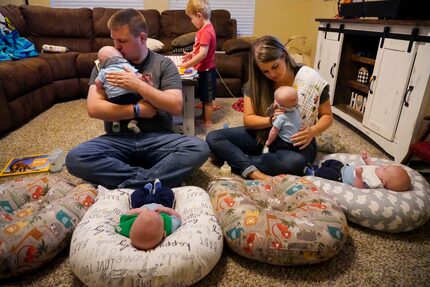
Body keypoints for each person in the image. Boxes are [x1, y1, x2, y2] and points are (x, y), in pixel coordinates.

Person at [65, 8, 210, 188]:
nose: (116, 47)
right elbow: (94, 108)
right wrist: (137, 110)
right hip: (118, 139)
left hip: (158, 139)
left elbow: (175, 105)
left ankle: (129, 182)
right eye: (114, 40)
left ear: (142, 38)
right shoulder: (105, 63)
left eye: (122, 41)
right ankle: (150, 180)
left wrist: (137, 84)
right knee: (75, 158)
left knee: (199, 147)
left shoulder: (163, 64)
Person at [206, 35, 333, 180]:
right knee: (213, 138)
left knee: (294, 164)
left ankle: (235, 159)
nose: (272, 74)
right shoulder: (255, 84)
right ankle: (253, 171)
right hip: (265, 134)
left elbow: (327, 116)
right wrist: (271, 120)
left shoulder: (310, 79)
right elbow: (248, 120)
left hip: (297, 142)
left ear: (284, 56)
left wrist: (312, 131)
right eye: (265, 71)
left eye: (275, 66)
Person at [180, 0, 217, 127]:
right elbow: (199, 50)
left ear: (199, 16)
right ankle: (203, 116)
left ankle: (208, 121)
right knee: (203, 96)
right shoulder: (204, 29)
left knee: (207, 99)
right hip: (202, 69)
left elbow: (203, 54)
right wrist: (191, 54)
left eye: (191, 18)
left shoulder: (206, 32)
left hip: (207, 71)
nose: (191, 21)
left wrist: (186, 65)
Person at [115, 179, 182, 250]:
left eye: (144, 214)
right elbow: (177, 217)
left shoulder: (128, 229)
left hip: (141, 204)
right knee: (168, 194)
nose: (151, 211)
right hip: (162, 203)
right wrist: (165, 210)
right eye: (157, 214)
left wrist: (140, 211)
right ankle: (159, 189)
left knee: (135, 195)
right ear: (164, 234)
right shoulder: (169, 226)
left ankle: (145, 189)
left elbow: (125, 216)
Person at [305, 151, 411, 192]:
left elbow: (358, 187)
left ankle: (313, 173)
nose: (383, 167)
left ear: (383, 182)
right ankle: (317, 167)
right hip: (343, 167)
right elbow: (371, 165)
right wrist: (365, 159)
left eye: (385, 169)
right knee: (332, 161)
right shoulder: (379, 169)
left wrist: (359, 176)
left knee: (327, 173)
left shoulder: (374, 182)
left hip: (341, 177)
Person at [95, 45, 143, 133]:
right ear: (120, 56)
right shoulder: (125, 66)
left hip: (114, 98)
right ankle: (133, 122)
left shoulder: (103, 71)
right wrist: (141, 77)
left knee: (114, 109)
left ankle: (115, 121)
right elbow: (137, 76)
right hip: (130, 95)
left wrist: (102, 86)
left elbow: (97, 84)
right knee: (140, 102)